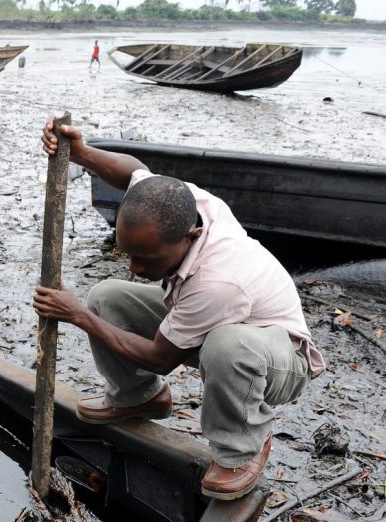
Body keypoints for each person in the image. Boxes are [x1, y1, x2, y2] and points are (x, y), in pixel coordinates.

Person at [34, 119, 325, 500]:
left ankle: (241, 449)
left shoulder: (218, 283)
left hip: (279, 358)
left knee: (228, 345)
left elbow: (159, 358)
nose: (134, 269)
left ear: (191, 238)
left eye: (146, 258)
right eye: (129, 254)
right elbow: (134, 173)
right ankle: (138, 398)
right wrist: (82, 152)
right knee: (107, 296)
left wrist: (77, 316)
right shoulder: (181, 202)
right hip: (220, 325)